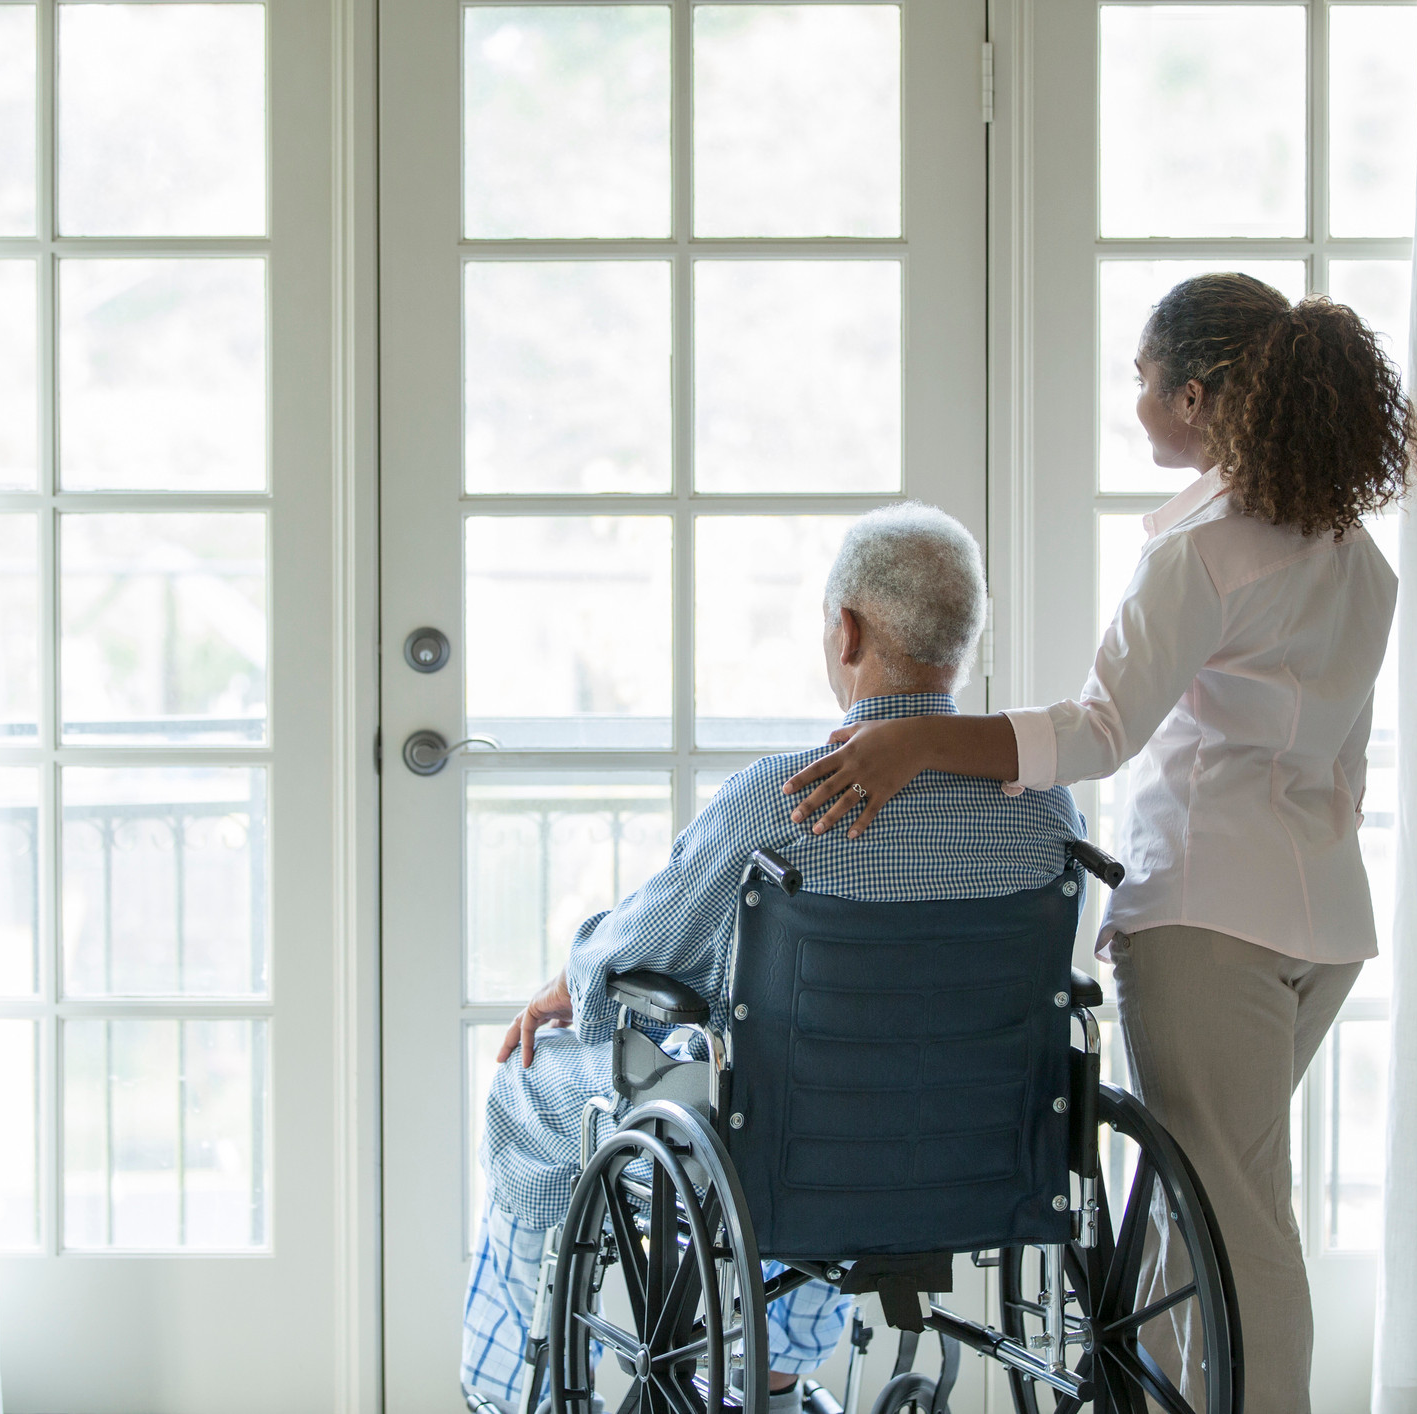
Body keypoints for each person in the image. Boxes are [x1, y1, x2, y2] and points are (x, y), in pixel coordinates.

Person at [781, 274, 1417, 1414]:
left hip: (1211, 919)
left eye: (1141, 378)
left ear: (1197, 392)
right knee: (1226, 1203)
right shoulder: (1355, 559)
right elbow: (1345, 760)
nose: (1134, 401)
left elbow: (1099, 732)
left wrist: (918, 740)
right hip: (1322, 917)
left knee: (1233, 1219)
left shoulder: (1205, 556)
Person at [463, 503, 1085, 1413]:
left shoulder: (782, 797)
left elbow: (647, 949)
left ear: (847, 631)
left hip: (788, 1151)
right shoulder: (1043, 809)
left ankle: (501, 1387)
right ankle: (780, 1372)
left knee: (526, 1086)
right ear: (960, 642)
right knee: (817, 1086)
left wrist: (575, 980)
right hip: (972, 1150)